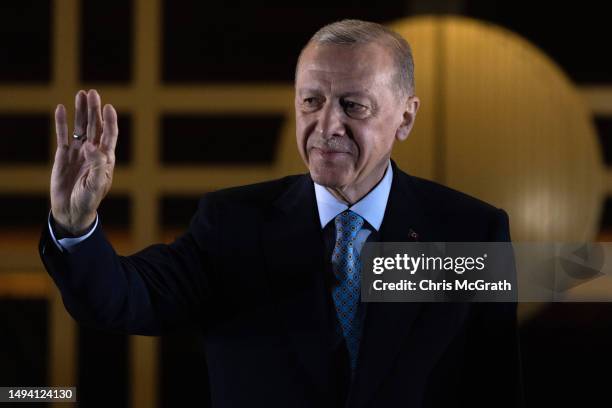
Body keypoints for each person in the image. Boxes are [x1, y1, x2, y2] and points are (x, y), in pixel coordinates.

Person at [39, 19, 522, 407]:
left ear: (406, 117)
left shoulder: (471, 231)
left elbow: (493, 386)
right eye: (311, 101)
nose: (326, 125)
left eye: (354, 106)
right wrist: (75, 227)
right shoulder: (232, 224)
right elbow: (124, 299)